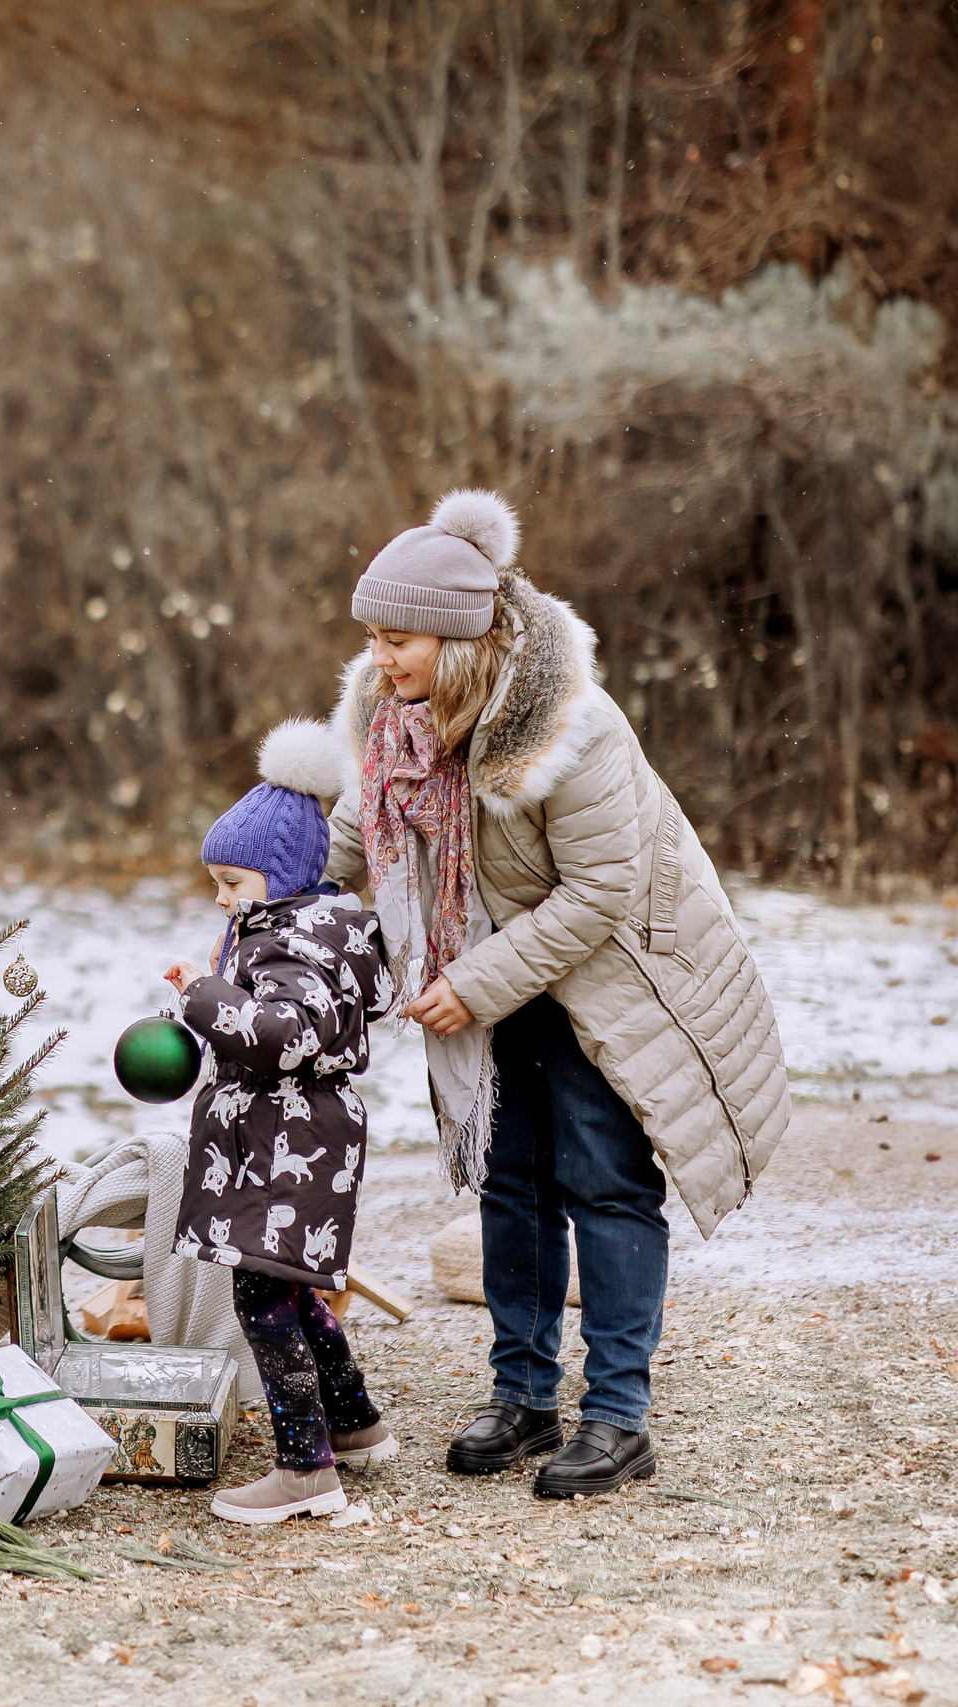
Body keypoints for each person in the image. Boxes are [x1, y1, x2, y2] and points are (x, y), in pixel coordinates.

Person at [323, 489, 789, 1497]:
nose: (379, 657)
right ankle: (524, 1395)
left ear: (458, 637)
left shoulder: (566, 725)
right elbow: (358, 833)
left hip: (611, 971)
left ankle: (618, 1415)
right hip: (498, 974)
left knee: (604, 1179)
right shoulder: (394, 721)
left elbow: (602, 888)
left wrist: (470, 983)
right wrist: (275, 895)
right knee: (511, 1180)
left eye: (397, 639)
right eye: (372, 638)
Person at [164, 721, 400, 1524]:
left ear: (284, 872)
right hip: (292, 1136)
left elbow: (283, 1035)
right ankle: (355, 1424)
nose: (222, 897)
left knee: (263, 1300)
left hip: (285, 1142)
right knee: (293, 1288)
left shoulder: (290, 944)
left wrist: (203, 996)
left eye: (232, 881)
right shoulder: (303, 932)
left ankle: (306, 1469)